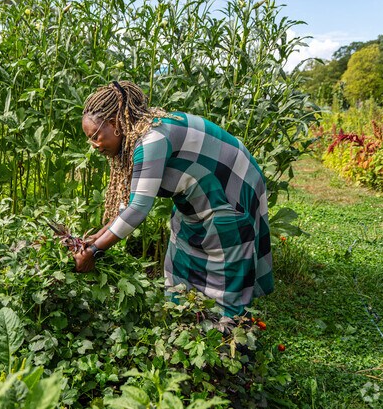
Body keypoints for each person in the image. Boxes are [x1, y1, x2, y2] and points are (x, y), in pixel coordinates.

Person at [74, 80, 273, 317]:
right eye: (90, 139)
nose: (94, 145)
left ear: (114, 122)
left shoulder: (151, 140)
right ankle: (186, 325)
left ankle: (228, 337)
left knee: (224, 272)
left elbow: (137, 210)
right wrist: (99, 235)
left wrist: (95, 251)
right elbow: (130, 201)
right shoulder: (138, 137)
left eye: (96, 135)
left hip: (230, 190)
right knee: (180, 261)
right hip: (196, 195)